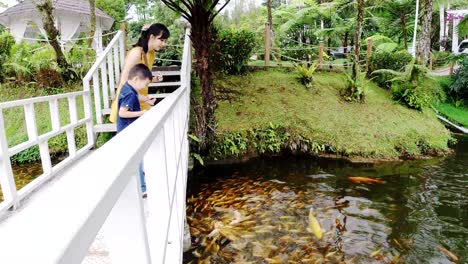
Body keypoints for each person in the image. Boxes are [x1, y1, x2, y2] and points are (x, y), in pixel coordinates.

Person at [109, 23, 170, 123]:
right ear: (152, 37)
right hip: (128, 99)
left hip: (141, 98)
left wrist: (153, 79)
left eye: (165, 41)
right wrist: (139, 97)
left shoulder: (151, 53)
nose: (163, 44)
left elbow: (142, 77)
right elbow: (124, 80)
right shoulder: (136, 53)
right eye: (161, 40)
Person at [117, 63, 153, 197]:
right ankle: (143, 188)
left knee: (133, 158)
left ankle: (136, 183)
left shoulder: (127, 88)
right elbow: (122, 113)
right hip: (128, 131)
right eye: (145, 84)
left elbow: (136, 97)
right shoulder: (130, 94)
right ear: (136, 79)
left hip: (125, 130)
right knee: (137, 159)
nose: (145, 87)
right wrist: (142, 113)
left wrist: (146, 100)